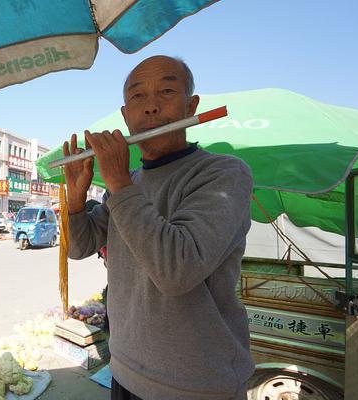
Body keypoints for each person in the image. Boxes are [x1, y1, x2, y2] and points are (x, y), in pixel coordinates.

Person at [62, 55, 255, 400]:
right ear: (125, 116)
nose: (150, 107)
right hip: (123, 371)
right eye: (137, 97)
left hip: (198, 386)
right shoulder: (128, 183)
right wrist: (76, 201)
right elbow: (80, 248)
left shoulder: (224, 174)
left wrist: (119, 182)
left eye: (166, 91)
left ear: (190, 105)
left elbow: (176, 271)